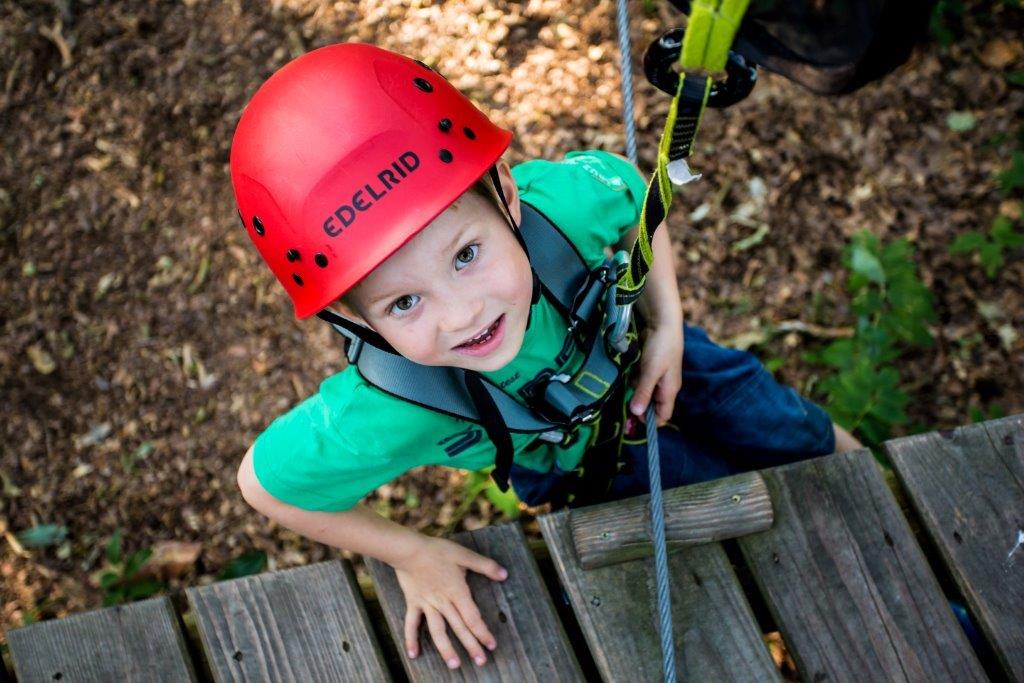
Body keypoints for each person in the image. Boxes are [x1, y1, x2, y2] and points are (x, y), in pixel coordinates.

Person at [231, 43, 860, 670]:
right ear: (349, 317)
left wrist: (667, 321)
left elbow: (635, 193)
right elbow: (267, 486)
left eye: (466, 255)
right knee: (734, 552)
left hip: (661, 359)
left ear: (507, 196)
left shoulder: (557, 214)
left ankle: (883, 492)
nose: (462, 315)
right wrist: (409, 555)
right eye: (402, 304)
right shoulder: (393, 405)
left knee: (796, 436)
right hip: (588, 467)